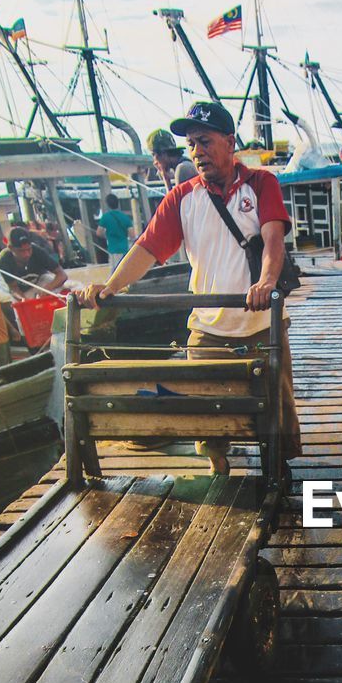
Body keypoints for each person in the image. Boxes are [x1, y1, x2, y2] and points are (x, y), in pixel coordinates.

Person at [76, 100, 301, 476]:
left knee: (276, 405)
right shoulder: (182, 198)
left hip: (261, 323)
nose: (197, 151)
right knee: (205, 408)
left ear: (230, 142)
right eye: (192, 144)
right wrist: (110, 286)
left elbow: (273, 236)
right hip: (209, 326)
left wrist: (266, 281)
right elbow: (147, 249)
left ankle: (277, 466)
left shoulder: (261, 183)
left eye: (205, 141)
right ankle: (219, 464)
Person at [0, 226, 69, 297]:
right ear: (11, 248)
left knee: (67, 288)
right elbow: (13, 288)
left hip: (40, 284)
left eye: (29, 249)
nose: (27, 254)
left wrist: (48, 288)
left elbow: (62, 275)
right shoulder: (4, 260)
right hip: (20, 292)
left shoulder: (37, 251)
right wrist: (24, 300)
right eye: (21, 251)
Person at [96, 194, 134, 273]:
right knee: (125, 271)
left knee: (114, 272)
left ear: (108, 205)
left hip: (113, 250)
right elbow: (132, 235)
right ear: (118, 203)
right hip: (125, 249)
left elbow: (99, 233)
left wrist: (107, 236)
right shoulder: (125, 217)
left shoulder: (105, 217)